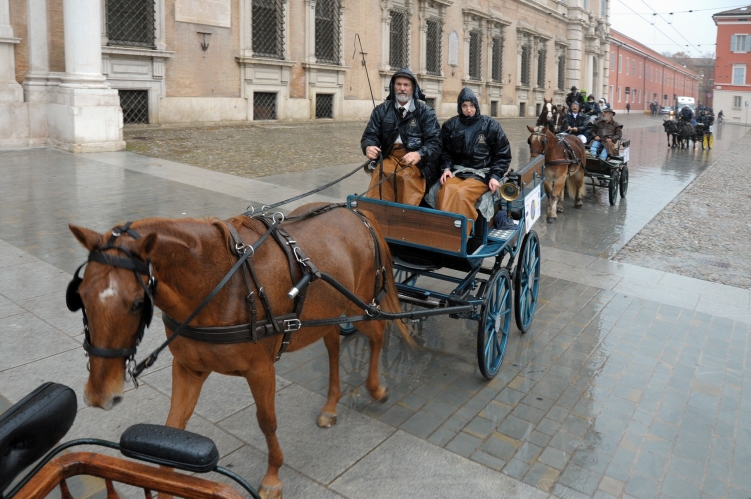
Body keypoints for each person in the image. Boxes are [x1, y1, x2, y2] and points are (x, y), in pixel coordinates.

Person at [361, 68, 441, 205]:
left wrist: (419, 154)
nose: (402, 88)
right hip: (389, 156)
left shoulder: (426, 112)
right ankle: (377, 215)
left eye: (406, 85)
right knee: (380, 173)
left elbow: (435, 143)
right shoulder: (381, 110)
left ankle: (405, 217)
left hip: (417, 162)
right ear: (393, 87)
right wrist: (369, 146)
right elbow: (370, 134)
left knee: (405, 177)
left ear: (413, 88)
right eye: (398, 84)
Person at [435, 88, 511, 228]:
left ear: (476, 105)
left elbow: (503, 153)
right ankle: (443, 231)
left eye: (471, 105)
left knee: (460, 193)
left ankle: (461, 234)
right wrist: (446, 168)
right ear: (460, 107)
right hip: (458, 172)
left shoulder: (490, 125)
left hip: (481, 174)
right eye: (464, 106)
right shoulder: (450, 125)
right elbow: (445, 151)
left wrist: (495, 175)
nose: (468, 109)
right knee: (445, 189)